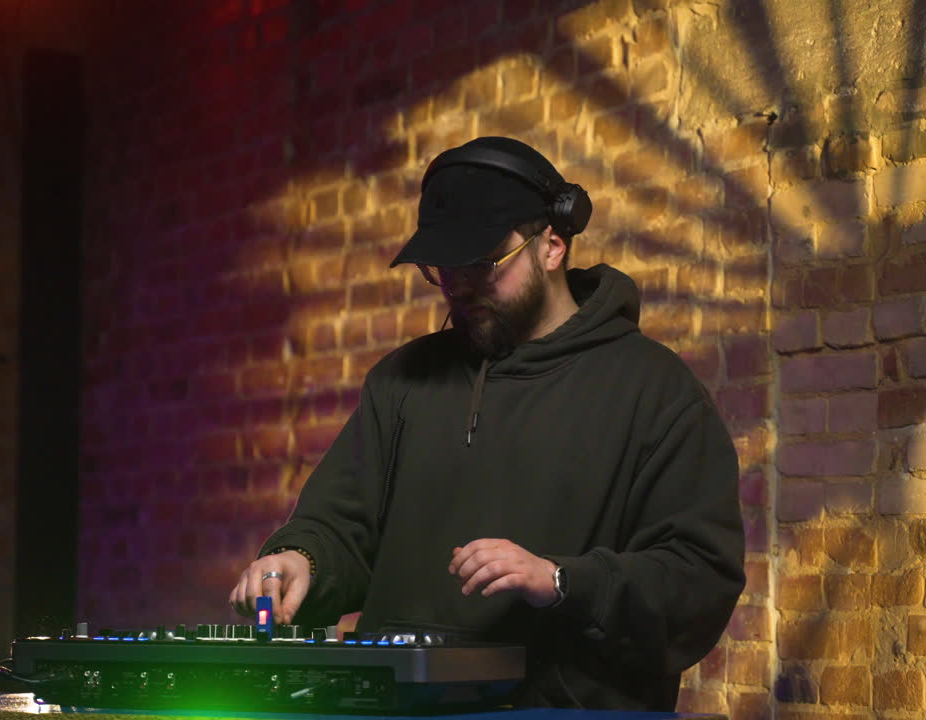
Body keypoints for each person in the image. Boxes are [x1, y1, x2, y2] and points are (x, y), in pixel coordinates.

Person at [228, 136, 745, 711]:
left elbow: (698, 581)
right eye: (443, 268)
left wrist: (559, 581)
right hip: (396, 709)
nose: (459, 285)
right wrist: (301, 561)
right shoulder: (401, 381)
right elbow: (342, 527)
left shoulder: (655, 391)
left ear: (552, 246)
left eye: (481, 262)